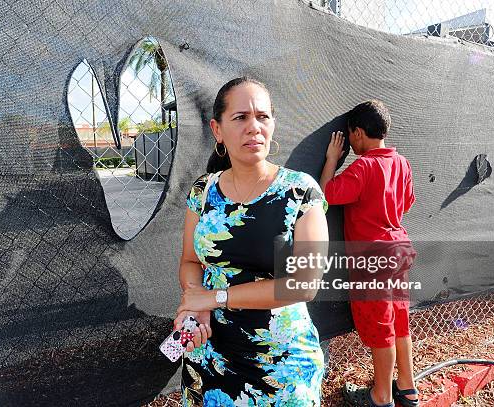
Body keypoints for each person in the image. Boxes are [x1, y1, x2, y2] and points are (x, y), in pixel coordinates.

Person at [174, 77, 329, 406]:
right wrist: (194, 304)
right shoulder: (202, 192)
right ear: (217, 130)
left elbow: (304, 284)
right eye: (241, 117)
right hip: (211, 355)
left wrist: (213, 298)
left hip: (280, 367)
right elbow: (190, 262)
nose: (253, 127)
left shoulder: (300, 192)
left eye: (262, 116)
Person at [320, 100, 418, 407]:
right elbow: (407, 202)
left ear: (358, 133)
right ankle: (407, 388)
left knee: (380, 329)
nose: (348, 143)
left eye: (349, 137)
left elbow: (325, 195)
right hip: (398, 250)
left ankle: (381, 396)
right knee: (398, 321)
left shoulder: (363, 166)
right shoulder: (401, 162)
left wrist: (332, 160)